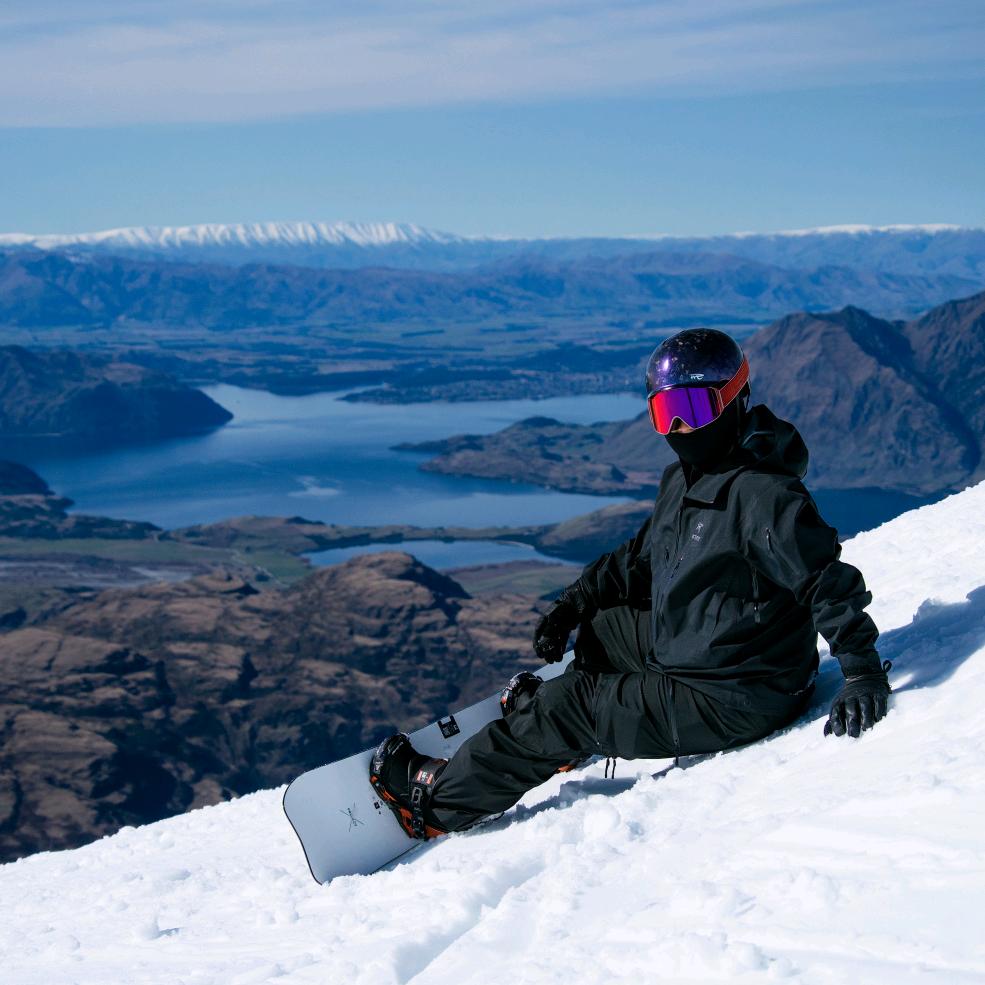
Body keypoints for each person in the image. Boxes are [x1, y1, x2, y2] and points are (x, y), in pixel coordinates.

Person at [370, 328, 892, 841]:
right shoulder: (686, 478)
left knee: (567, 704)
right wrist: (572, 604)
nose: (682, 429)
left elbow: (826, 581)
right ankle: (568, 735)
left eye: (695, 408)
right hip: (707, 651)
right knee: (605, 626)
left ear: (735, 398)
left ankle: (438, 802)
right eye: (667, 413)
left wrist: (863, 674)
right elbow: (640, 561)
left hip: (738, 693)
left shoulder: (763, 495)